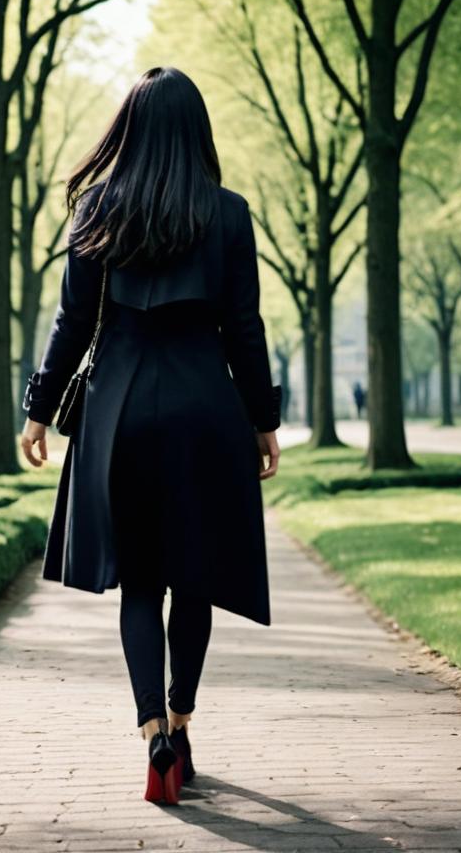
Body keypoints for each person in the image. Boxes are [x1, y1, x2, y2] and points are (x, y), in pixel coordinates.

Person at [20, 66, 282, 806]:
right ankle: (183, 719)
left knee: (140, 582)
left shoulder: (97, 209)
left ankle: (152, 737)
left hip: (121, 414)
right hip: (206, 409)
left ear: (128, 129)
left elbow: (72, 323)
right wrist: (264, 420)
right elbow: (244, 327)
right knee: (191, 580)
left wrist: (37, 410)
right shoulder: (228, 214)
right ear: (197, 131)